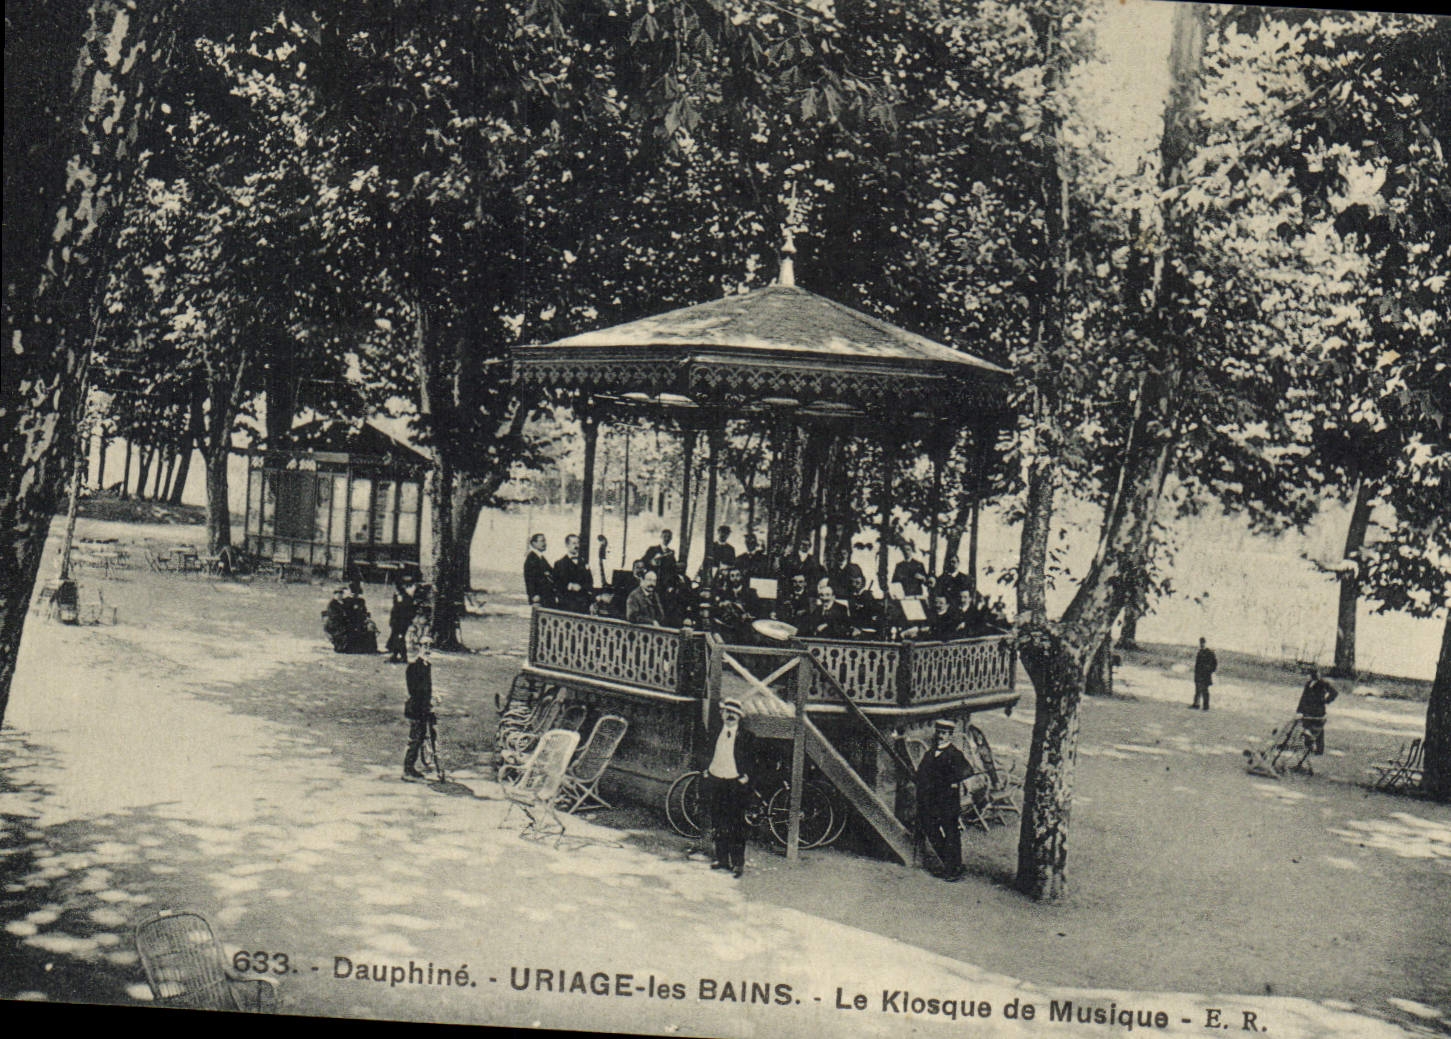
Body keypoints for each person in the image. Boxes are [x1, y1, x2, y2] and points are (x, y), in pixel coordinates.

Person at [915, 719, 973, 881]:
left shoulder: (954, 754)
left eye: (945, 733)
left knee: (951, 833)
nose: (941, 736)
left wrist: (952, 782)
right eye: (939, 733)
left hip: (947, 801)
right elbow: (921, 773)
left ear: (950, 736)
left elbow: (967, 771)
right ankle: (950, 862)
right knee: (930, 828)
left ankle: (954, 868)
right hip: (931, 800)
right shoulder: (930, 753)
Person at [703, 698, 755, 878]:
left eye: (735, 714)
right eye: (728, 712)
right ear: (722, 714)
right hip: (716, 779)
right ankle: (722, 859)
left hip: (735, 783)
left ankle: (738, 863)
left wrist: (746, 775)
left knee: (736, 824)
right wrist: (705, 770)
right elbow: (705, 751)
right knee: (718, 820)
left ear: (740, 717)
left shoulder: (746, 736)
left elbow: (754, 760)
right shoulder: (715, 731)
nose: (730, 716)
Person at [402, 639, 434, 780]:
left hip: (424, 707)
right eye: (425, 646)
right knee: (415, 739)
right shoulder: (414, 666)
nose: (427, 648)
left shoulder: (427, 665)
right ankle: (407, 770)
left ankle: (412, 767)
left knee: (420, 737)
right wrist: (425, 700)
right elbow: (413, 690)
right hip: (416, 707)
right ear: (419, 647)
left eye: (430, 646)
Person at [1296, 666, 1339, 755]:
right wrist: (1299, 710)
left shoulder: (1322, 683)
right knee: (1306, 728)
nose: (1306, 677)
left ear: (1312, 675)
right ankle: (1308, 747)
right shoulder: (1308, 684)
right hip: (1307, 710)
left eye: (1308, 675)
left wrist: (1325, 701)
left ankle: (1319, 749)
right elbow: (1303, 697)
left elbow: (1334, 692)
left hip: (1318, 711)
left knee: (1318, 730)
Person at [553, 533, 594, 614]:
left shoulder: (584, 562)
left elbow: (590, 582)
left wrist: (582, 587)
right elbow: (556, 584)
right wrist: (570, 586)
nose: (577, 546)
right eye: (574, 543)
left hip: (583, 605)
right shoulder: (559, 564)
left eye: (578, 543)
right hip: (567, 604)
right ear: (567, 545)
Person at [386, 577, 419, 663]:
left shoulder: (403, 596)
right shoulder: (405, 596)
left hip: (401, 620)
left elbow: (400, 608)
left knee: (399, 637)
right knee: (397, 637)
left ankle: (403, 656)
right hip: (399, 620)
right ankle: (395, 655)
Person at [523, 533, 555, 608]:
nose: (545, 543)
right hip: (539, 599)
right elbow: (529, 578)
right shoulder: (532, 558)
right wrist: (533, 595)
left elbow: (552, 573)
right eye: (542, 541)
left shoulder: (540, 557)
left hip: (545, 597)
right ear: (534, 543)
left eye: (545, 541)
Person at [1192, 637, 1218, 710]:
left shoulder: (1209, 652)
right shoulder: (1200, 652)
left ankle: (1205, 706)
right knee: (1198, 689)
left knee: (1204, 690)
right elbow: (1197, 665)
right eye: (1200, 643)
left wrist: (1209, 671)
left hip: (1205, 675)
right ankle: (1196, 704)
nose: (1201, 644)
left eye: (1202, 643)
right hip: (1199, 674)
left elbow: (1214, 664)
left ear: (1205, 643)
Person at [323, 587, 351, 652]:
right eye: (337, 593)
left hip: (344, 622)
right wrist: (344, 617)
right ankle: (341, 647)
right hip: (334, 624)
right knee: (344, 631)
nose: (339, 595)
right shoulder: (332, 604)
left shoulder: (344, 603)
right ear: (334, 595)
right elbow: (333, 615)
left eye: (341, 593)